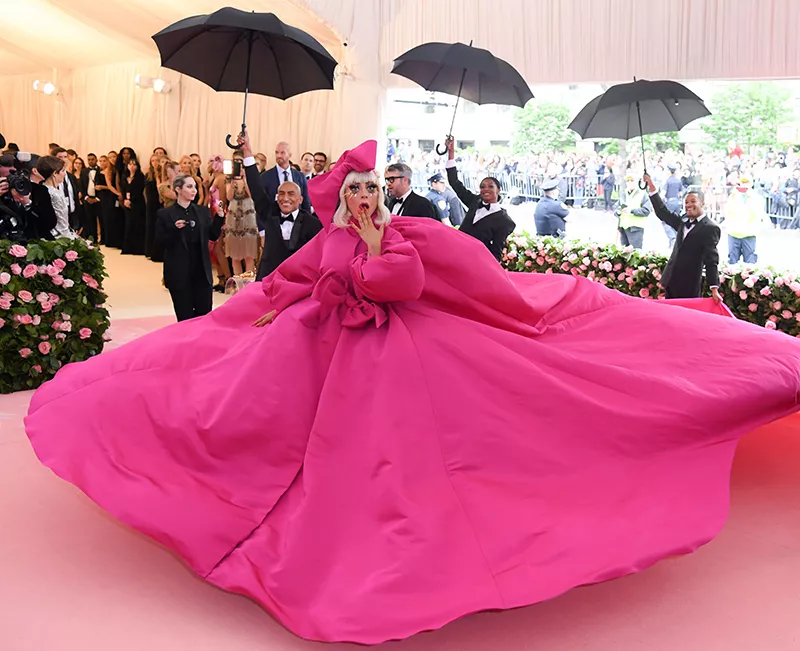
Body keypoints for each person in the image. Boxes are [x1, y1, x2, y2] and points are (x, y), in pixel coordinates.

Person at [24, 139, 800, 645]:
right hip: (318, 369)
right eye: (353, 190)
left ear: (383, 192)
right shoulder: (327, 238)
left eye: (373, 188)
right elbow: (277, 286)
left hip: (413, 367)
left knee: (436, 459)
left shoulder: (414, 235)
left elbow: (427, 282)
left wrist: (369, 254)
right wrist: (234, 321)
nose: (365, 199)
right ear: (339, 196)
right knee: (235, 413)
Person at [240, 132, 321, 280]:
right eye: (281, 194)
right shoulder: (269, 212)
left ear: (300, 199)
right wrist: (247, 152)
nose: (285, 198)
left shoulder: (312, 224)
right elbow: (256, 188)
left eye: (291, 194)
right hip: (268, 278)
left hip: (296, 282)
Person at [155, 173, 224, 321]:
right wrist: (174, 230)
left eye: (194, 187)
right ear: (178, 189)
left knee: (204, 316)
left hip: (201, 271)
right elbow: (160, 243)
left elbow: (212, 235)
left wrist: (219, 218)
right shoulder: (165, 214)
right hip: (179, 272)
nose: (194, 190)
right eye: (189, 187)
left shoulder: (202, 211)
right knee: (185, 318)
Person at [644, 173, 721, 301]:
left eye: (693, 201)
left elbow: (711, 260)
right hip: (671, 280)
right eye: (686, 202)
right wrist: (652, 188)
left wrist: (714, 288)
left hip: (689, 286)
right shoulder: (683, 220)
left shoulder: (710, 228)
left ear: (702, 203)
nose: (689, 205)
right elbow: (663, 213)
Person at [445, 137, 516, 260]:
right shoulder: (474, 201)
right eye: (482, 186)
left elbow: (496, 251)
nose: (485, 189)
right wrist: (451, 154)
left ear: (498, 190)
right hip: (456, 255)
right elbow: (454, 182)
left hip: (476, 261)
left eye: (490, 186)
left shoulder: (505, 221)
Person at [260, 141, 311, 213]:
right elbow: (262, 203)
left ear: (290, 155)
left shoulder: (300, 176)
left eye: (282, 153)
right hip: (273, 219)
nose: (279, 156)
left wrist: (306, 221)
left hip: (297, 220)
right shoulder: (265, 176)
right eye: (277, 152)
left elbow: (305, 202)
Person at [724, 176, 765, 264]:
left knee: (750, 262)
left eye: (747, 183)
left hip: (749, 234)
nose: (745, 185)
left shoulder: (756, 197)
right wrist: (733, 195)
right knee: (732, 261)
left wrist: (750, 198)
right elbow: (728, 211)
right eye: (743, 183)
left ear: (751, 184)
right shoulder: (734, 196)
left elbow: (758, 214)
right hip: (734, 233)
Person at [37, 155, 78, 239]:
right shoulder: (54, 194)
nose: (65, 174)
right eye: (63, 171)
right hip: (58, 237)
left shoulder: (44, 189)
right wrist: (71, 239)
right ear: (55, 173)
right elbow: (61, 224)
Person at [617, 174, 651, 249]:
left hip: (635, 229)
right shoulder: (624, 194)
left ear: (637, 182)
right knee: (623, 254)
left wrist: (631, 210)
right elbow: (616, 207)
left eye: (632, 181)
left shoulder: (642, 194)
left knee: (635, 254)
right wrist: (618, 211)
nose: (629, 183)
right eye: (628, 181)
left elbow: (646, 210)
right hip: (623, 228)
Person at [121, 158, 147, 255]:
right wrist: (125, 199)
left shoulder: (140, 176)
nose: (132, 166)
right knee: (129, 224)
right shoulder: (124, 176)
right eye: (130, 164)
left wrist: (131, 200)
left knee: (137, 224)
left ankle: (138, 248)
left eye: (134, 164)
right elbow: (123, 190)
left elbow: (139, 190)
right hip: (127, 202)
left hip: (137, 203)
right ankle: (128, 248)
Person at [80, 153, 101, 241]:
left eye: (92, 159)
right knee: (89, 219)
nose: (90, 161)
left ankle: (102, 239)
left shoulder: (100, 170)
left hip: (98, 199)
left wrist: (97, 198)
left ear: (96, 160)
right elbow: (81, 185)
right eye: (89, 159)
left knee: (100, 219)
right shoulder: (84, 171)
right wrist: (86, 197)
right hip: (87, 198)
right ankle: (91, 238)